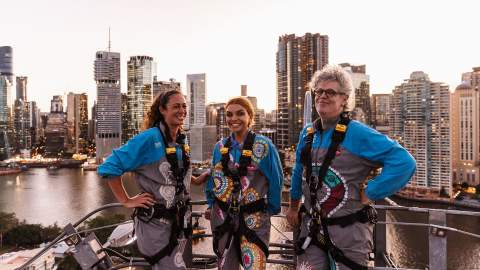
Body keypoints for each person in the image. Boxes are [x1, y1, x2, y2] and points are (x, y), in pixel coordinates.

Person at [286, 65, 416, 270]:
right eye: (318, 91)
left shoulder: (357, 133)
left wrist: (371, 191)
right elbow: (298, 172)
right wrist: (293, 207)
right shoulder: (308, 133)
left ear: (344, 99)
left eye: (330, 92)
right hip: (311, 229)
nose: (322, 96)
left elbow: (404, 162)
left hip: (348, 231)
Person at [98, 90, 209, 270]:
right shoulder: (149, 138)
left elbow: (175, 175)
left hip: (180, 223)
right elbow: (109, 167)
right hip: (157, 227)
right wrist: (127, 200)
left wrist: (196, 180)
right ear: (162, 110)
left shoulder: (180, 138)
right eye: (176, 106)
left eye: (184, 106)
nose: (182, 110)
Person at [193, 97, 283, 270]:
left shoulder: (263, 146)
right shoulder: (220, 147)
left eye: (240, 113)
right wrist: (212, 205)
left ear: (250, 116)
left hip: (254, 217)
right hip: (222, 218)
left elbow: (276, 180)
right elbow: (214, 179)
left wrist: (269, 210)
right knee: (225, 265)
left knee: (254, 265)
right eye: (229, 114)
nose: (233, 118)